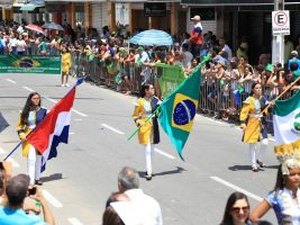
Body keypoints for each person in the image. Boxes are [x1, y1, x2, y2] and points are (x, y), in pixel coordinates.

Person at [250, 156, 300, 225]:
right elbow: (253, 216)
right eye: (292, 174)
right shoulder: (276, 196)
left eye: (299, 174)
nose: (297, 177)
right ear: (284, 176)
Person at [16, 92, 47, 186]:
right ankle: (31, 180)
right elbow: (19, 126)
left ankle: (37, 178)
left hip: (40, 138)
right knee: (31, 158)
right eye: (34, 98)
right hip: (29, 138)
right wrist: (22, 135)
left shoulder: (44, 111)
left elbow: (48, 124)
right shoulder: (25, 112)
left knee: (38, 158)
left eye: (38, 98)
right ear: (30, 100)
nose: (36, 100)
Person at [132, 83, 161, 180]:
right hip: (144, 128)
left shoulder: (156, 100)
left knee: (152, 150)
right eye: (151, 88)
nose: (153, 90)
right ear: (146, 90)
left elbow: (160, 113)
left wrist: (159, 111)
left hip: (154, 127)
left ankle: (150, 169)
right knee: (147, 150)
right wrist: (139, 122)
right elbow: (135, 116)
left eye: (153, 88)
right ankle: (149, 172)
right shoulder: (140, 101)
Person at [239, 82, 270, 172]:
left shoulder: (263, 98)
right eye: (257, 88)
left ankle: (259, 159)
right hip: (252, 123)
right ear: (253, 89)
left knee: (265, 142)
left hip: (261, 123)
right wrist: (242, 122)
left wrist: (270, 106)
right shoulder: (249, 100)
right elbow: (244, 112)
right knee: (253, 145)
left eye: (260, 88)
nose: (259, 89)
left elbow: (266, 111)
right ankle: (253, 164)